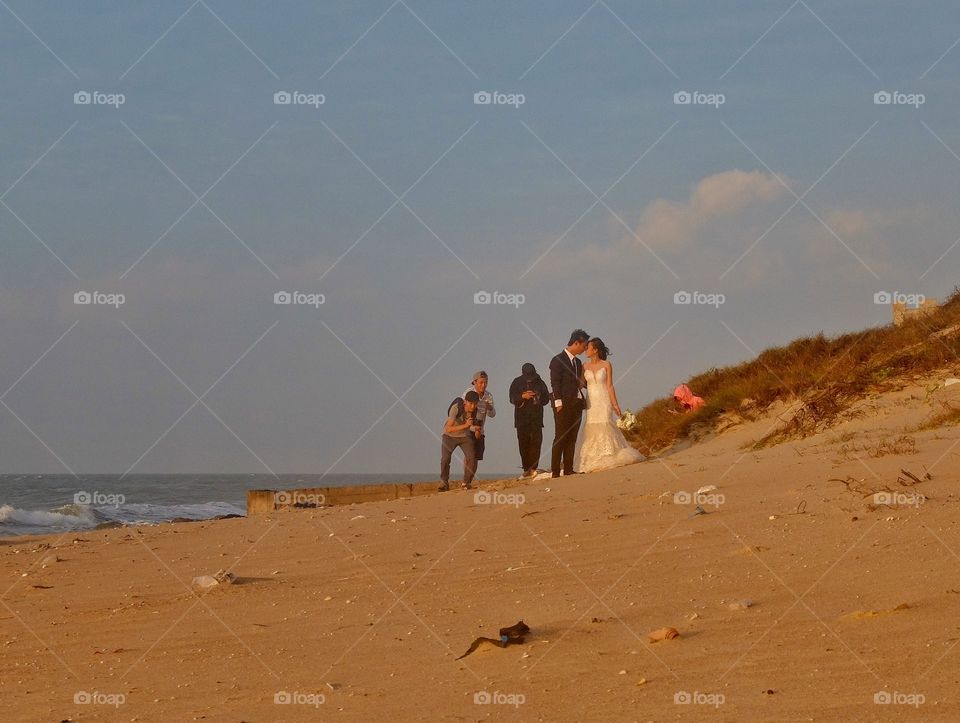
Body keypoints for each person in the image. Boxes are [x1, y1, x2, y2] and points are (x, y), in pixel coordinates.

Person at [577, 337, 645, 472]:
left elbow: (609, 386)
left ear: (595, 350)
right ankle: (592, 458)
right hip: (591, 401)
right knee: (591, 425)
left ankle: (610, 455)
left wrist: (615, 404)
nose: (586, 350)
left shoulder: (606, 364)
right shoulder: (584, 366)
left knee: (606, 423)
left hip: (604, 399)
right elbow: (580, 385)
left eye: (588, 348)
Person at [549, 329, 590, 478]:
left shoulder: (578, 362)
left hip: (576, 404)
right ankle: (555, 471)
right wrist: (558, 403)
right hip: (562, 405)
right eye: (584, 345)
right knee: (560, 436)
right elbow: (555, 383)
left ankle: (568, 468)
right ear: (576, 343)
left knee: (572, 437)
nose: (585, 348)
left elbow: (580, 383)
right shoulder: (557, 360)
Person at [509, 363, 550, 479]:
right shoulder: (516, 382)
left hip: (536, 417)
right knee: (523, 443)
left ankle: (533, 468)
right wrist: (522, 396)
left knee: (537, 443)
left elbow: (546, 399)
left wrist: (538, 396)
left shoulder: (540, 381)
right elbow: (511, 398)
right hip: (521, 418)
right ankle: (526, 468)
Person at [439, 390, 481, 491]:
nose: (472, 406)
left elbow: (476, 434)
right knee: (445, 459)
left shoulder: (476, 411)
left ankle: (466, 483)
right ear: (465, 402)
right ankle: (444, 483)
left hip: (464, 436)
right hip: (449, 435)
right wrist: (466, 425)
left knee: (472, 458)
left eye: (475, 404)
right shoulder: (456, 408)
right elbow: (448, 428)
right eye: (470, 403)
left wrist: (477, 430)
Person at [463, 371, 496, 465]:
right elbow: (462, 409)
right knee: (469, 455)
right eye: (481, 382)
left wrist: (489, 407)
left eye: (486, 382)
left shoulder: (488, 396)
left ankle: (470, 477)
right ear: (475, 382)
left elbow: (492, 414)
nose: (483, 385)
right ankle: (466, 479)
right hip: (468, 427)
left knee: (476, 456)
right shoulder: (468, 393)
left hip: (480, 428)